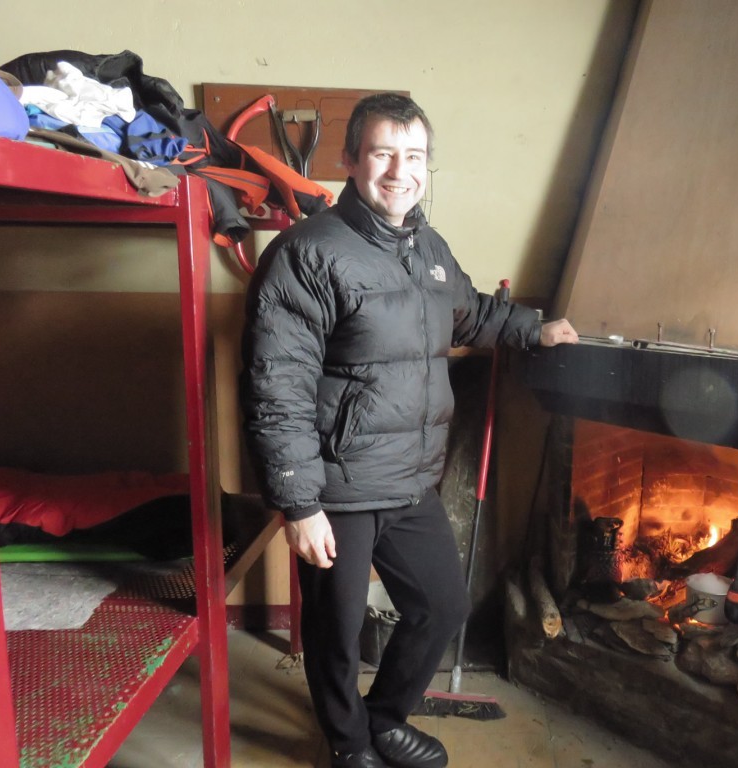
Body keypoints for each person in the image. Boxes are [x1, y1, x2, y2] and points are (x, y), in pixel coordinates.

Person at [239, 92, 579, 768]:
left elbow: (469, 313)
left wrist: (531, 328)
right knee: (336, 630)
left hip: (409, 476)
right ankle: (348, 743)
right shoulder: (306, 254)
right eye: (384, 153)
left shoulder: (427, 246)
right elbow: (275, 387)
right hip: (337, 485)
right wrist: (298, 503)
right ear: (350, 159)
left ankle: (384, 718)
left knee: (441, 607)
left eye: (415, 155)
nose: (401, 170)